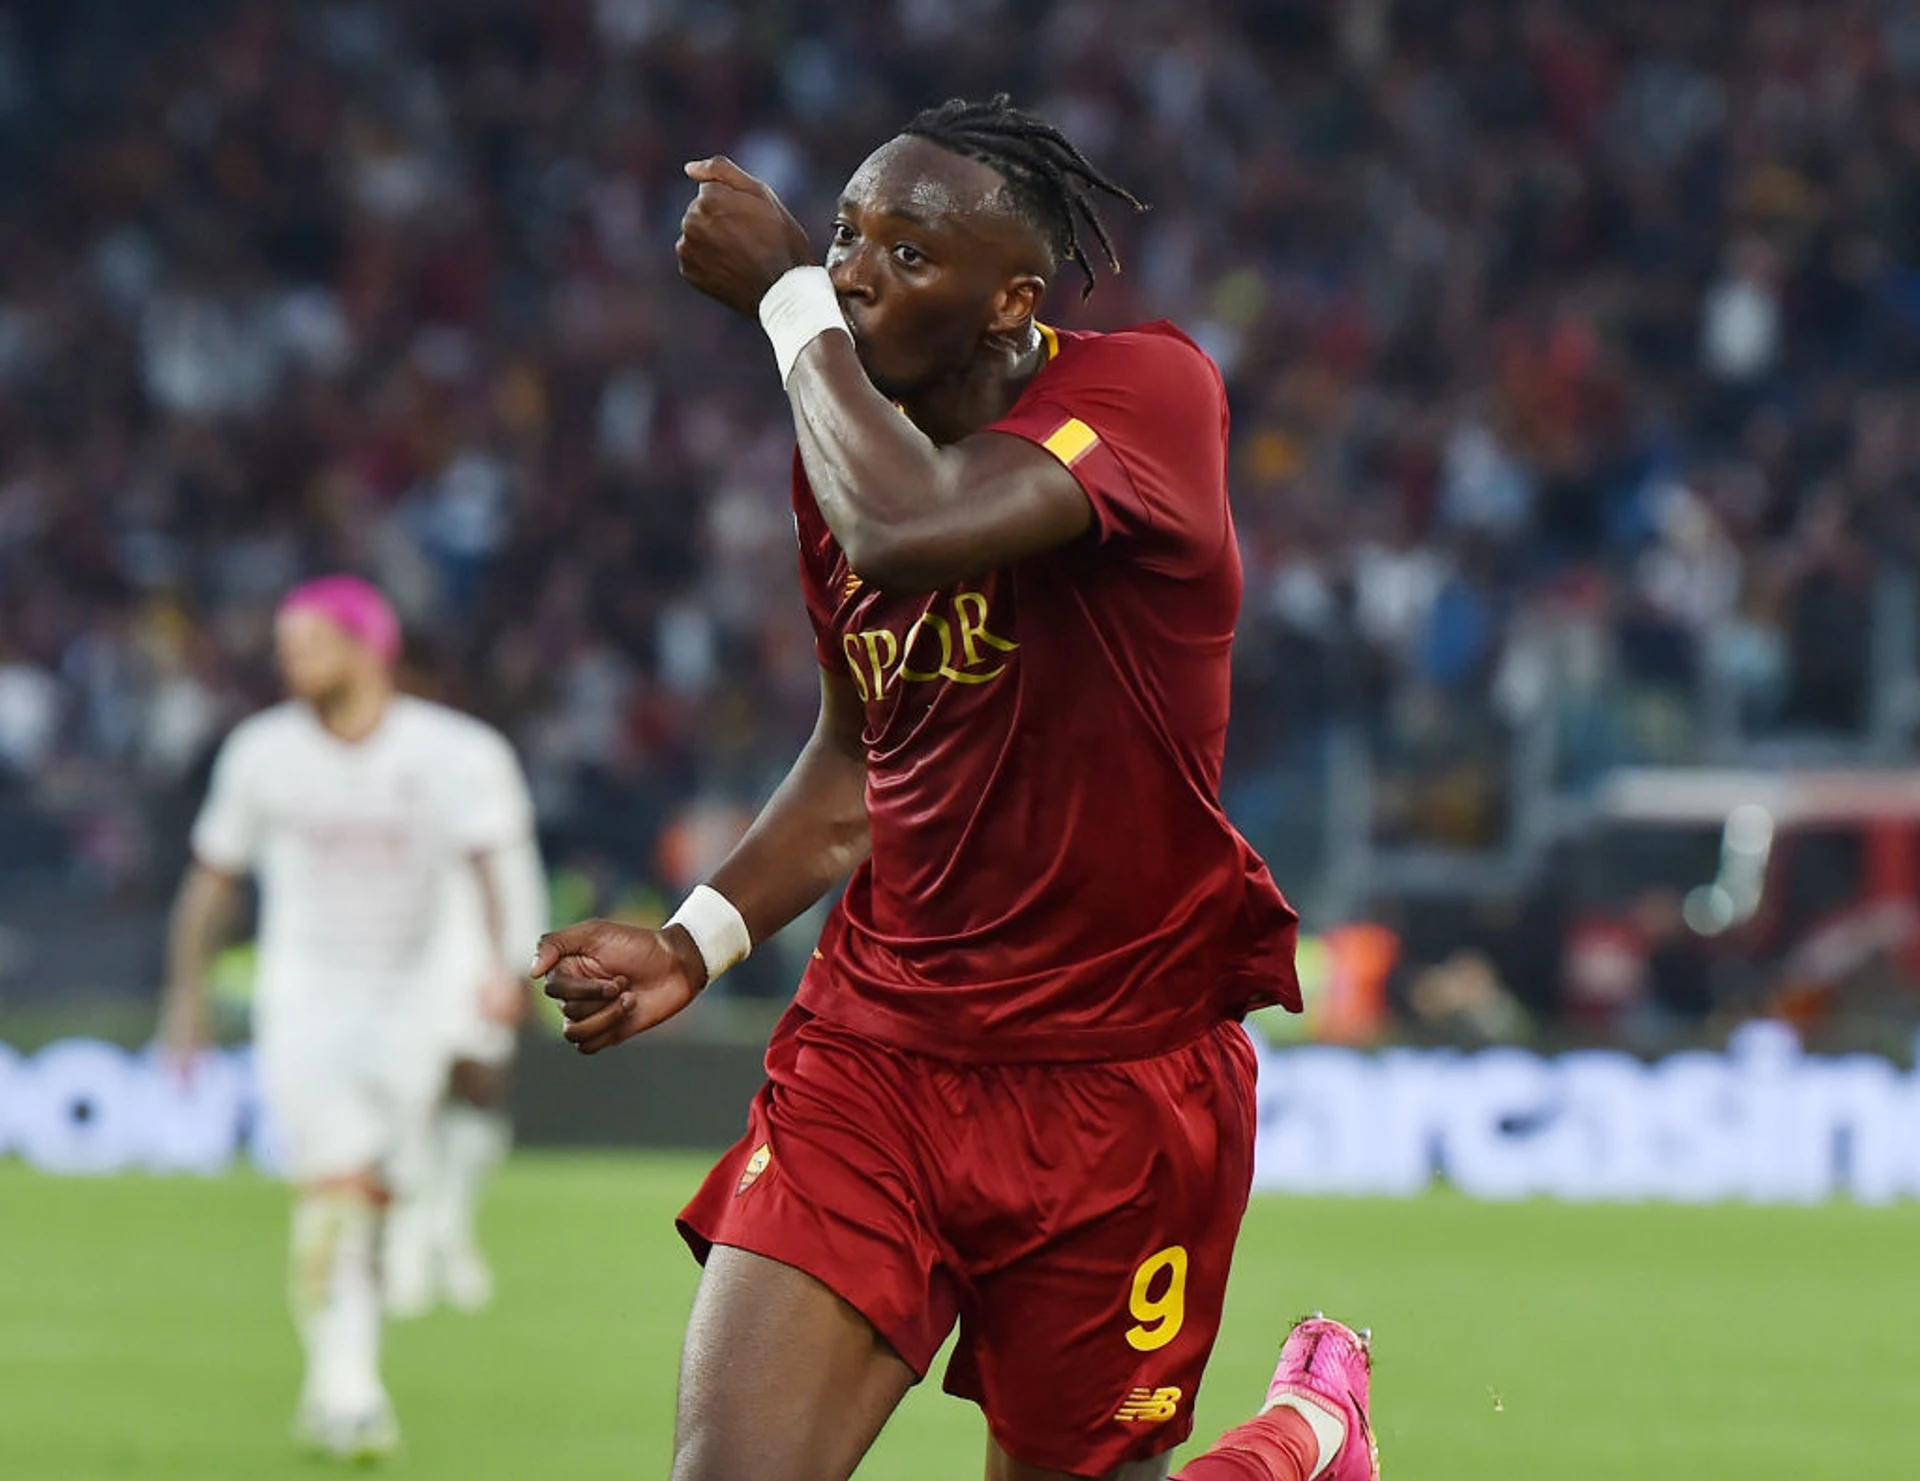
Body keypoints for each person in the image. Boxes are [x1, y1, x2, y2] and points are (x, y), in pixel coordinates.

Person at [535, 96, 1380, 1481]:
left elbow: (907, 526)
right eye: (845, 236)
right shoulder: (844, 462)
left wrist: (789, 296)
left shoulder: (1151, 397)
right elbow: (857, 757)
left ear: (1012, 305)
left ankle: (1303, 1440)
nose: (856, 270)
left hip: (1114, 1081)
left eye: (909, 253)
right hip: (877, 1055)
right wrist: (695, 940)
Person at [159, 575, 544, 1461]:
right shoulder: (261, 753)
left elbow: (498, 865)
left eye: (309, 643)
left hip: (419, 997)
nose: (290, 660)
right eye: (286, 645)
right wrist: (186, 999)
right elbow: (211, 881)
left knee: (380, 1190)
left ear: (369, 648)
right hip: (307, 1000)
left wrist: (507, 965)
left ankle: (339, 1371)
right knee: (339, 1182)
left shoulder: (455, 753)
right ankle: (349, 1388)